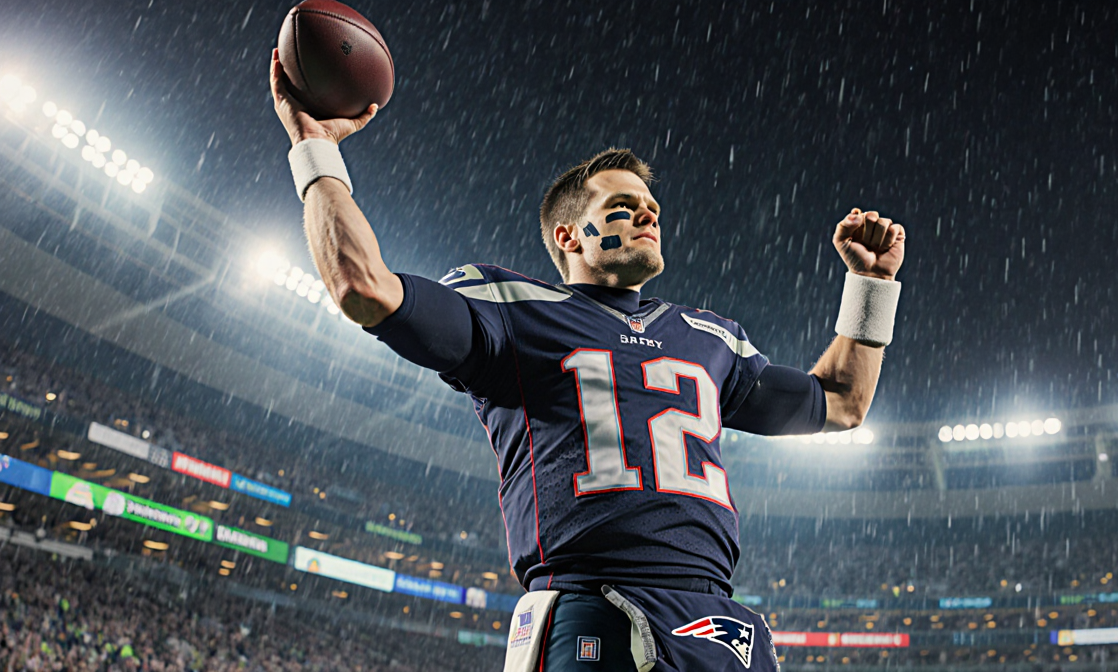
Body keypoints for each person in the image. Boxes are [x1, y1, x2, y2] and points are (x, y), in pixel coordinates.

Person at [270, 49, 905, 672]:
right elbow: (364, 287)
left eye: (650, 207)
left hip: (720, 626)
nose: (647, 214)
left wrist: (871, 288)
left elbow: (842, 405)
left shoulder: (712, 337)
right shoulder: (510, 305)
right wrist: (313, 145)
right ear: (568, 236)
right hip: (593, 607)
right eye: (622, 208)